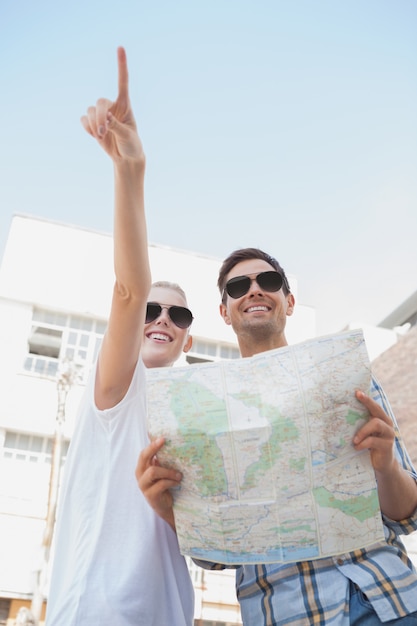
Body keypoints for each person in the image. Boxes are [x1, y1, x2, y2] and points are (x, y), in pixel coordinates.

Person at [137, 247, 417, 625]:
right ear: (224, 311)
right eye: (238, 286)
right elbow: (215, 555)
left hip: (390, 599)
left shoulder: (349, 380)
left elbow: (406, 517)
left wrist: (385, 468)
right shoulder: (200, 412)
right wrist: (166, 508)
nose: (254, 290)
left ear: (289, 301)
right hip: (287, 615)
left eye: (268, 282)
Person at [45, 47, 195, 626]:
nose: (159, 319)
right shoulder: (116, 389)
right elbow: (130, 290)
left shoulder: (193, 413)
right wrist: (129, 170)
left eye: (176, 316)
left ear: (188, 336)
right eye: (153, 310)